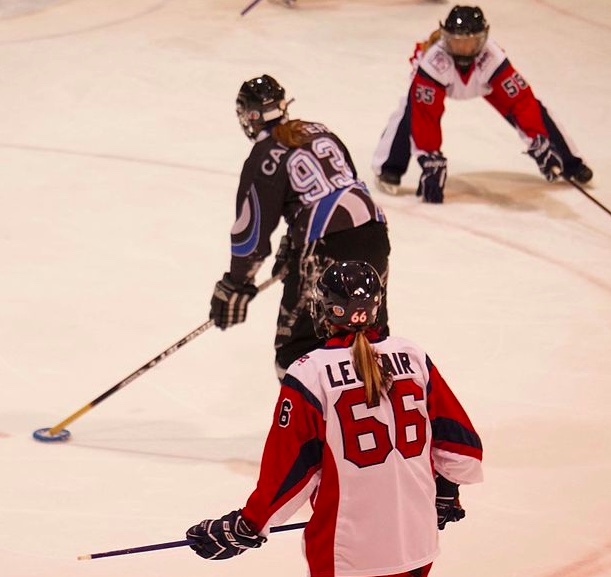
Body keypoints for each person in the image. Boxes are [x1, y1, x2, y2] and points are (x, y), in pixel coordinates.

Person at [188, 260, 484, 577]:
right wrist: (445, 488)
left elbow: (289, 471)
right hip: (418, 545)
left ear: (326, 309)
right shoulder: (413, 357)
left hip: (349, 554)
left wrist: (247, 525)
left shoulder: (309, 372)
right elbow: (463, 451)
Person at [209, 75, 391, 379]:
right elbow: (343, 184)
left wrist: (236, 283)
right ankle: (383, 418)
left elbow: (250, 234)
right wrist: (294, 244)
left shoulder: (264, 156)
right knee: (369, 332)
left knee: (297, 350)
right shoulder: (321, 132)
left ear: (250, 116)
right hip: (373, 230)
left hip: (325, 245)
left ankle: (309, 425)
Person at [372, 4, 593, 203]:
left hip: (483, 80)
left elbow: (521, 101)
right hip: (441, 82)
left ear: (483, 38)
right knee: (409, 111)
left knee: (536, 108)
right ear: (446, 38)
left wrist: (538, 139)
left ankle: (571, 162)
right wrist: (429, 157)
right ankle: (389, 167)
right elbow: (425, 116)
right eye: (457, 42)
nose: (464, 49)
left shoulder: (492, 57)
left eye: (470, 43)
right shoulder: (433, 62)